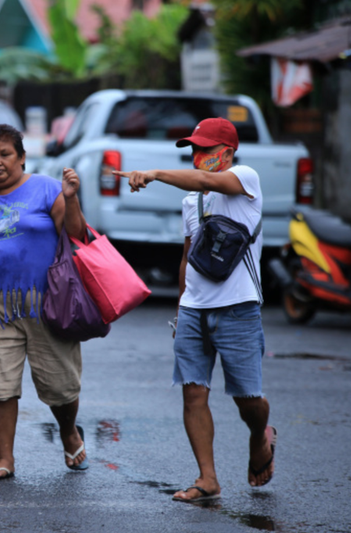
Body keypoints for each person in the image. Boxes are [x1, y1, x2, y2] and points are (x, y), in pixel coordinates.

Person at [112, 117, 276, 502]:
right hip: (193, 311)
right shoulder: (192, 200)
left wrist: (152, 173)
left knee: (248, 400)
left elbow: (204, 180)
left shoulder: (245, 180)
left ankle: (259, 434)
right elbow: (188, 256)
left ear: (228, 153)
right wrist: (182, 306)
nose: (197, 157)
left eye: (205, 149)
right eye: (194, 150)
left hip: (238, 309)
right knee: (193, 393)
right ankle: (207, 478)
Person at [0, 124, 88, 480]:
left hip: (48, 304)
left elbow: (76, 235)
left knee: (60, 388)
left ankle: (68, 430)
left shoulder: (47, 189)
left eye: (5, 154)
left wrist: (72, 197)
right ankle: (4, 459)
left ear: (22, 157)